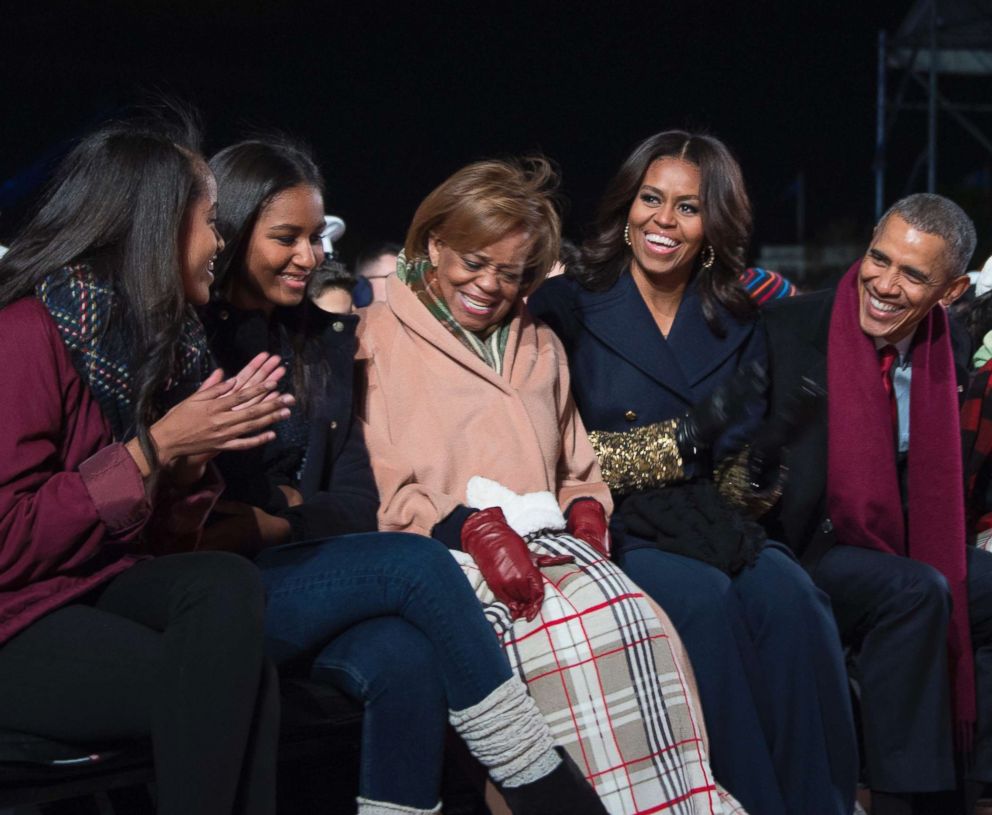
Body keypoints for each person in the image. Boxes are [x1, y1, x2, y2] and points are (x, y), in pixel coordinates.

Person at [196, 138, 604, 815]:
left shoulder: (323, 340)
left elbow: (354, 500)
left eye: (314, 237)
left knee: (405, 661)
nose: (310, 255)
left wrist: (279, 516)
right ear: (233, 231)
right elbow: (203, 518)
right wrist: (282, 514)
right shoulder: (198, 339)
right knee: (417, 566)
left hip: (310, 565)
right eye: (287, 237)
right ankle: (542, 782)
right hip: (230, 586)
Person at [358, 156, 745, 815]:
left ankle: (676, 803)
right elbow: (388, 482)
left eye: (510, 274)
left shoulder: (537, 342)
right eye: (474, 262)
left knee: (639, 622)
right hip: (450, 556)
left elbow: (577, 462)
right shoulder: (381, 335)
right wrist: (469, 529)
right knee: (563, 644)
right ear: (434, 245)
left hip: (550, 543)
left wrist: (588, 506)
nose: (489, 285)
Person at [529, 130, 857, 815]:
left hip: (715, 519)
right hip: (620, 520)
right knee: (705, 602)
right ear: (627, 204)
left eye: (688, 206)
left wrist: (766, 452)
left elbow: (737, 480)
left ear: (714, 224)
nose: (663, 220)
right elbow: (570, 456)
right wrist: (690, 433)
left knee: (796, 601)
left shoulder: (736, 316)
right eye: (652, 199)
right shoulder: (569, 305)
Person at [0, 115, 286, 815]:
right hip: (15, 620)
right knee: (234, 686)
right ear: (156, 224)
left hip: (86, 589)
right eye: (210, 221)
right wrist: (152, 449)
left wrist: (187, 463)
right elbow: (8, 541)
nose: (221, 242)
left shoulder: (149, 345)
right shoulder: (25, 333)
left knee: (222, 586)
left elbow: (152, 546)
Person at [762, 193, 992, 815]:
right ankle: (906, 800)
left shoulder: (951, 346)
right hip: (805, 547)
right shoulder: (790, 330)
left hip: (900, 540)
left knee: (983, 587)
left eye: (912, 274)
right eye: (878, 258)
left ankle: (977, 785)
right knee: (917, 591)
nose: (884, 285)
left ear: (950, 291)